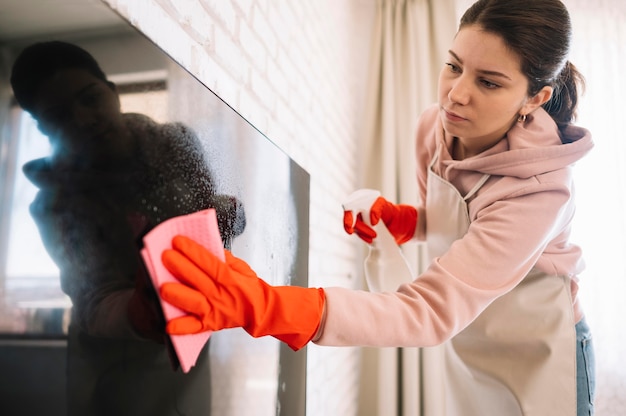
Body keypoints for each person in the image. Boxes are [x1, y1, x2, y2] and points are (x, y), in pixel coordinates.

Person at [152, 0, 596, 415]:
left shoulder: (539, 190)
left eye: (488, 82)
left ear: (535, 97)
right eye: (453, 66)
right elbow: (453, 219)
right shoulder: (435, 128)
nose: (455, 95)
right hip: (472, 331)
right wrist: (404, 220)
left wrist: (271, 307)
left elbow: (431, 311)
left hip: (538, 348)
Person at [10, 41, 245, 416]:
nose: (84, 120)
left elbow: (209, 213)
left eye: (90, 98)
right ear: (42, 128)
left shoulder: (178, 144)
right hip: (113, 362)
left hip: (191, 339)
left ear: (113, 91)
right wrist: (139, 311)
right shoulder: (54, 203)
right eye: (58, 116)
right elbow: (93, 297)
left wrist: (225, 218)